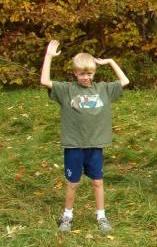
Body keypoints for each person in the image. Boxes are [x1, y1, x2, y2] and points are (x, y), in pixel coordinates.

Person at [40, 40, 129, 232]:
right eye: (81, 74)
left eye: (89, 73)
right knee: (73, 182)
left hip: (95, 146)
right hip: (74, 145)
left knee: (97, 181)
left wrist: (111, 62)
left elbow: (125, 82)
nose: (86, 78)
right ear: (74, 73)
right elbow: (45, 81)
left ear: (94, 73)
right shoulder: (66, 90)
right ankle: (67, 216)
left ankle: (101, 217)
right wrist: (48, 56)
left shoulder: (103, 89)